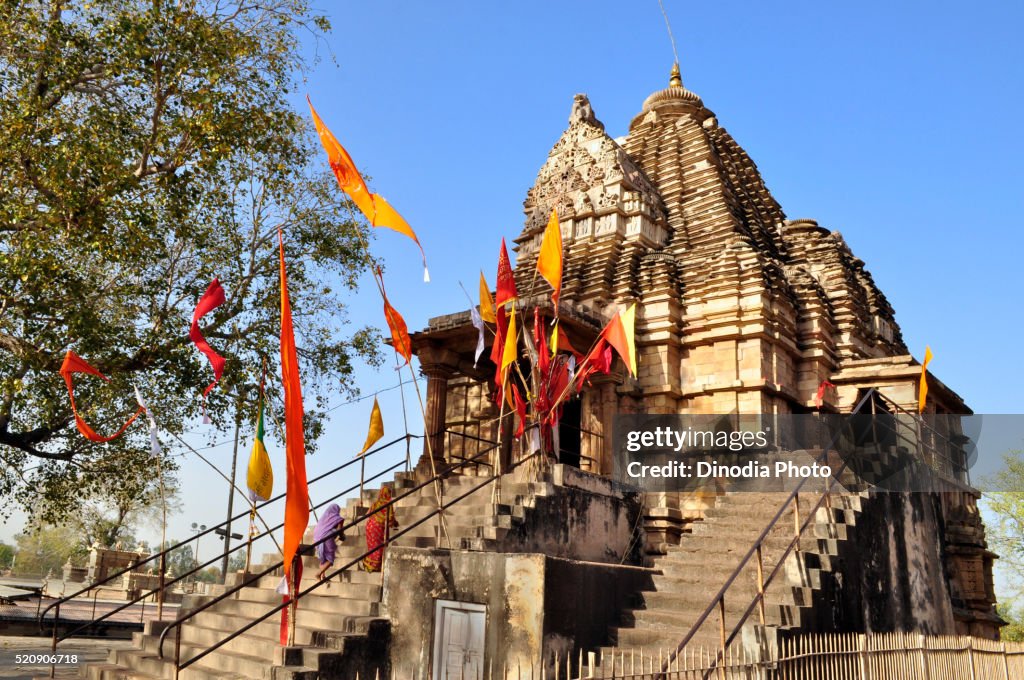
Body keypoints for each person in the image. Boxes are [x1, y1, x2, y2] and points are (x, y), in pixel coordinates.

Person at [362, 486, 398, 572]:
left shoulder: (376, 503)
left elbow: (367, 514)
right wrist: (395, 523)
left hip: (369, 526)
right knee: (380, 548)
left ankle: (371, 565)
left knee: (373, 548)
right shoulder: (388, 503)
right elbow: (390, 520)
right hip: (378, 528)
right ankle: (375, 567)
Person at [312, 503, 345, 581]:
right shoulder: (338, 518)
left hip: (317, 539)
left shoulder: (323, 518)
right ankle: (318, 573)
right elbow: (340, 531)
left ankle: (323, 576)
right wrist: (342, 537)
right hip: (327, 537)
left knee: (323, 558)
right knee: (330, 559)